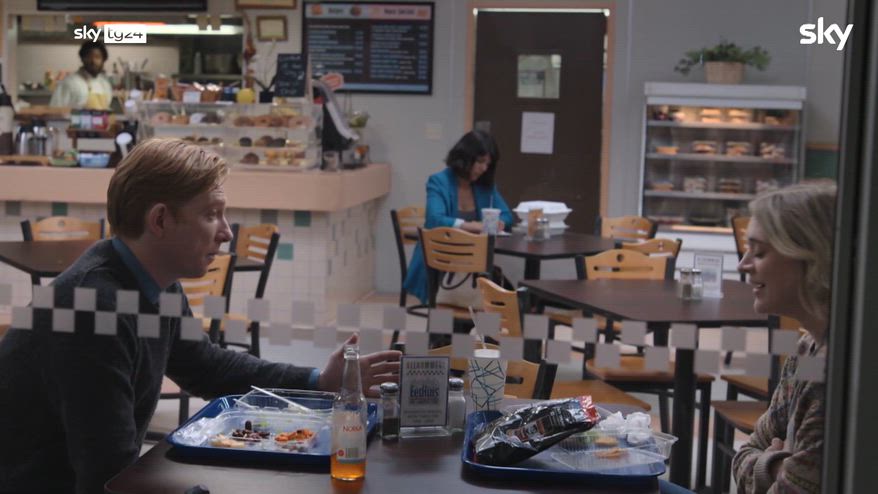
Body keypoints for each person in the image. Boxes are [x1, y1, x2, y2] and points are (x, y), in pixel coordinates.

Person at [0, 138, 400, 494]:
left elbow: (206, 367)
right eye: (211, 214)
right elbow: (108, 476)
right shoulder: (94, 307)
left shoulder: (153, 281)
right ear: (159, 220)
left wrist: (319, 381)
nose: (226, 232)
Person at [732, 182, 836, 494]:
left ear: (812, 256)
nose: (743, 265)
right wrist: (777, 465)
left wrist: (766, 463)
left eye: (759, 252)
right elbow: (744, 454)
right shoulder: (805, 351)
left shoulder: (832, 375)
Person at [402, 130, 514, 304]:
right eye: (480, 161)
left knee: (505, 296)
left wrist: (500, 222)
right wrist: (469, 225)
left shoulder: (485, 186)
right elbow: (434, 219)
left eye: (488, 164)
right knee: (491, 296)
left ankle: (477, 319)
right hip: (439, 263)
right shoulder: (439, 182)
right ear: (464, 158)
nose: (484, 168)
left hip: (473, 264)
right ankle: (456, 319)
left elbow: (507, 216)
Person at [49, 40, 114, 109]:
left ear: (103, 60)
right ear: (82, 59)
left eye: (97, 57)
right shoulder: (70, 82)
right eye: (89, 57)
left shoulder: (104, 84)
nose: (93, 61)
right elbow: (54, 111)